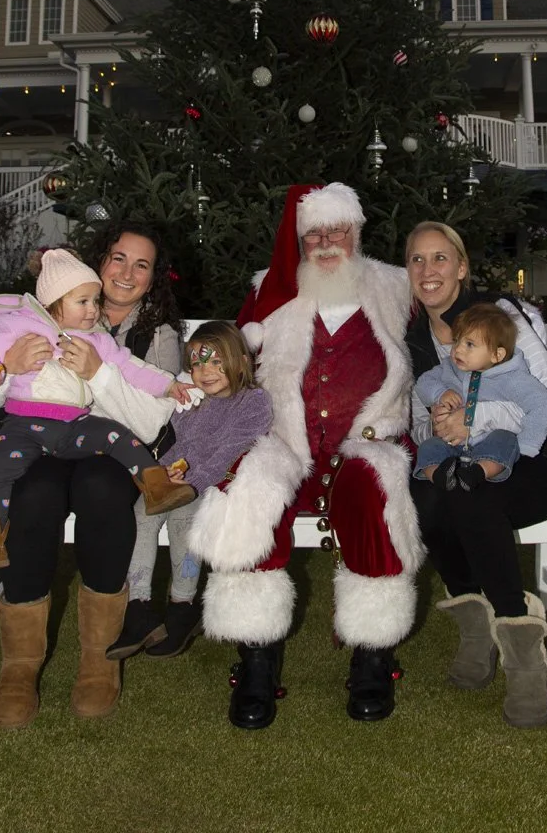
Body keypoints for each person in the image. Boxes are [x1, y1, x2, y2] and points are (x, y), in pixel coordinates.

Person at [188, 183, 423, 729]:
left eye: (337, 229)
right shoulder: (272, 292)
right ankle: (255, 658)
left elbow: (443, 337)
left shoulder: (394, 287)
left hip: (366, 440)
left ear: (356, 233)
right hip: (284, 438)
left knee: (374, 491)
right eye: (314, 232)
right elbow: (226, 359)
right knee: (249, 488)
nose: (326, 241)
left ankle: (373, 655)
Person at [0, 220, 188, 728]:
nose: (127, 272)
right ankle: (19, 668)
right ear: (100, 262)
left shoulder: (161, 336)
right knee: (34, 498)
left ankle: (97, 661)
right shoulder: (37, 316)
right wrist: (10, 368)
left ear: (154, 278)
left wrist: (97, 374)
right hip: (36, 443)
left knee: (103, 492)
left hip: (105, 453)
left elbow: (152, 420)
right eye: (119, 258)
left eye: (142, 264)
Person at [405, 221, 547, 729]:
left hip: (539, 457)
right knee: (425, 496)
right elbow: (418, 417)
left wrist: (473, 420)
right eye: (417, 260)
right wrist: (439, 417)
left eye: (440, 258)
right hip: (460, 455)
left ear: (461, 268)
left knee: (471, 497)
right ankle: (475, 628)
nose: (428, 270)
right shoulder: (412, 338)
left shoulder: (499, 318)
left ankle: (524, 660)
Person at [0, 249, 196, 574]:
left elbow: (130, 366)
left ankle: (155, 485)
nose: (93, 310)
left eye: (95, 302)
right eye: (83, 302)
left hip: (72, 426)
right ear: (53, 304)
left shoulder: (96, 340)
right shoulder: (19, 327)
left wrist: (167, 386)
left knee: (117, 436)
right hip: (23, 424)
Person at [107, 321, 273, 661]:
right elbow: (173, 442)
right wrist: (161, 471)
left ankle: (183, 605)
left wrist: (193, 485)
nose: (205, 371)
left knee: (185, 521)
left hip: (216, 485)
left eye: (215, 362)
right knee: (142, 515)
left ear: (241, 362)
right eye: (197, 363)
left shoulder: (253, 402)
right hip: (176, 482)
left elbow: (232, 450)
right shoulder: (192, 402)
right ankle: (138, 606)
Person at [413, 302, 547, 491]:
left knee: (504, 439)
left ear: (497, 355)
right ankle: (439, 475)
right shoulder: (450, 368)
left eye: (469, 344)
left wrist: (528, 445)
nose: (458, 350)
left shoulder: (512, 378)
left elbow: (541, 403)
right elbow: (423, 382)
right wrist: (440, 393)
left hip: (489, 443)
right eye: (457, 340)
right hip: (452, 444)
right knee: (429, 447)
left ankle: (477, 473)